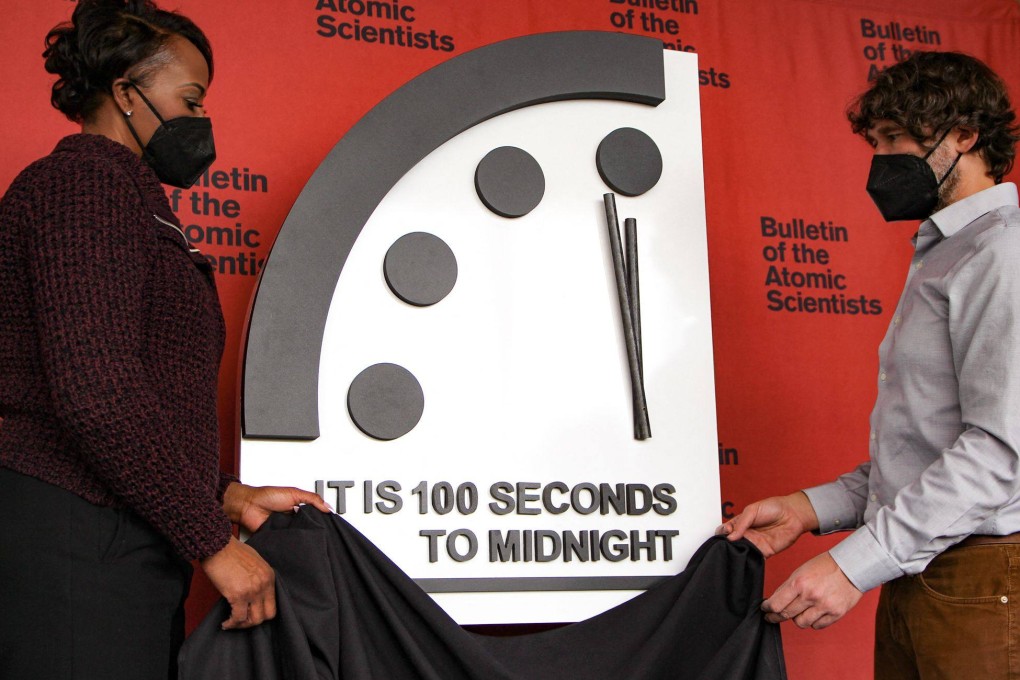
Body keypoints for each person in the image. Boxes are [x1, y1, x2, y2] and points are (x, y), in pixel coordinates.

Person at [0, 2, 330, 678]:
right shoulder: (85, 183)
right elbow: (97, 394)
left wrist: (224, 495)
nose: (201, 120)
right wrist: (212, 540)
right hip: (74, 541)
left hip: (112, 536)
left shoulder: (126, 196)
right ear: (126, 93)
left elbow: (136, 395)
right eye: (189, 99)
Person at [719, 51, 1020, 679]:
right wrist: (808, 507)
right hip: (922, 572)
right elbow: (927, 449)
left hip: (981, 576)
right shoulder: (945, 252)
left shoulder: (1003, 254)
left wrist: (857, 561)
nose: (881, 162)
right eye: (875, 142)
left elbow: (1001, 453)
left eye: (895, 140)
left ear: (965, 136)